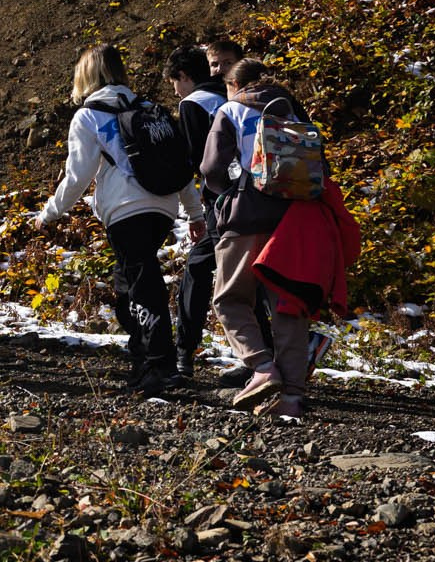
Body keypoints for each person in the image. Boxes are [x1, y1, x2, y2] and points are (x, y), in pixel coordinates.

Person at [36, 44, 203, 395]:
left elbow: (77, 176)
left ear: (86, 75)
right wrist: (194, 211)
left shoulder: (89, 116)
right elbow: (179, 164)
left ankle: (160, 364)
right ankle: (143, 358)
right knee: (127, 282)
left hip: (126, 209)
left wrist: (50, 213)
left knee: (142, 284)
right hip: (163, 206)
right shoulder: (150, 109)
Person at [200, 58, 316, 418]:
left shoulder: (231, 110)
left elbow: (211, 169)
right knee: (287, 306)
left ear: (235, 85)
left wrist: (227, 195)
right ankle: (292, 397)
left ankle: (262, 367)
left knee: (230, 297)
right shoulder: (293, 109)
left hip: (247, 215)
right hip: (294, 220)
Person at [166, 46, 226, 378]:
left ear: (185, 76)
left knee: (198, 270)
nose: (176, 91)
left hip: (221, 203)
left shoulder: (193, 103)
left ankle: (183, 353)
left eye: (175, 82)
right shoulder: (231, 95)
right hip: (256, 198)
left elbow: (191, 161)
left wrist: (193, 210)